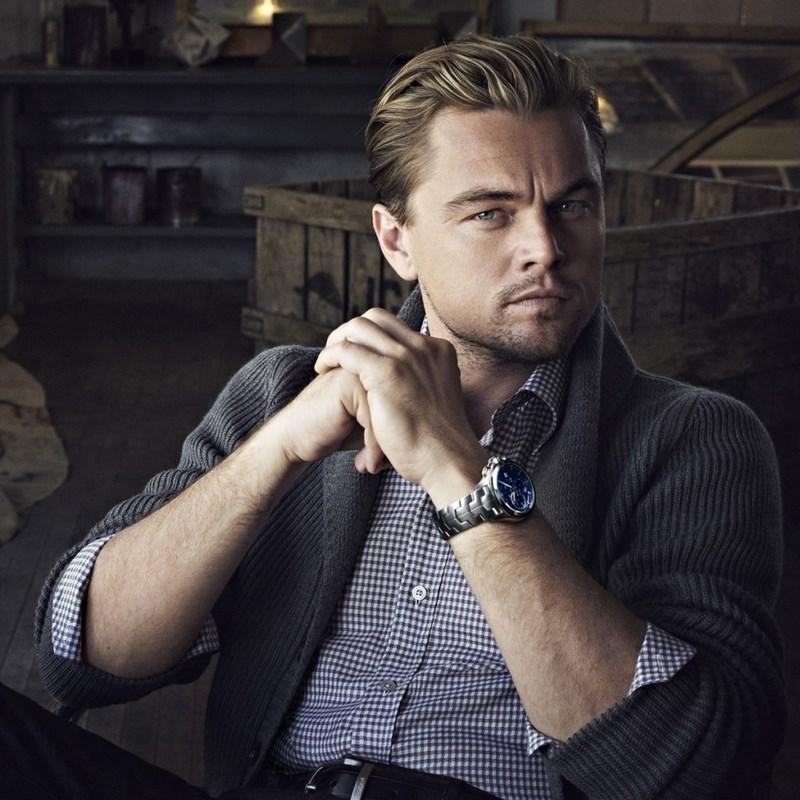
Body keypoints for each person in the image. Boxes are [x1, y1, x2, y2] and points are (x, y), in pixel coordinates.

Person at [3, 33, 784, 800]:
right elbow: (80, 656)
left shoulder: (692, 437)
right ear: (396, 240)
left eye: (572, 204)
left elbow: (698, 767)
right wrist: (274, 452)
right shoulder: (282, 391)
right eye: (491, 213)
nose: (545, 247)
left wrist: (458, 470)